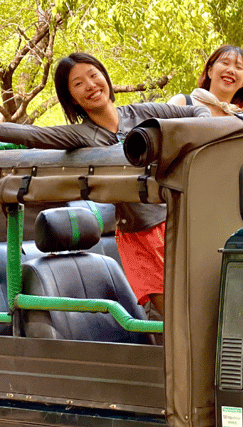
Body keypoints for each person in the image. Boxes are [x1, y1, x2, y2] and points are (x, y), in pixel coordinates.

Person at [0, 52, 211, 319]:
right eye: (77, 84)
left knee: (207, 311)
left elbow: (196, 110)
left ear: (105, 77)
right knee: (178, 321)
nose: (89, 85)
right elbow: (31, 135)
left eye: (93, 74)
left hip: (180, 227)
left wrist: (204, 125)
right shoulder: (81, 134)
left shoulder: (145, 112)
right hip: (139, 238)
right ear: (72, 99)